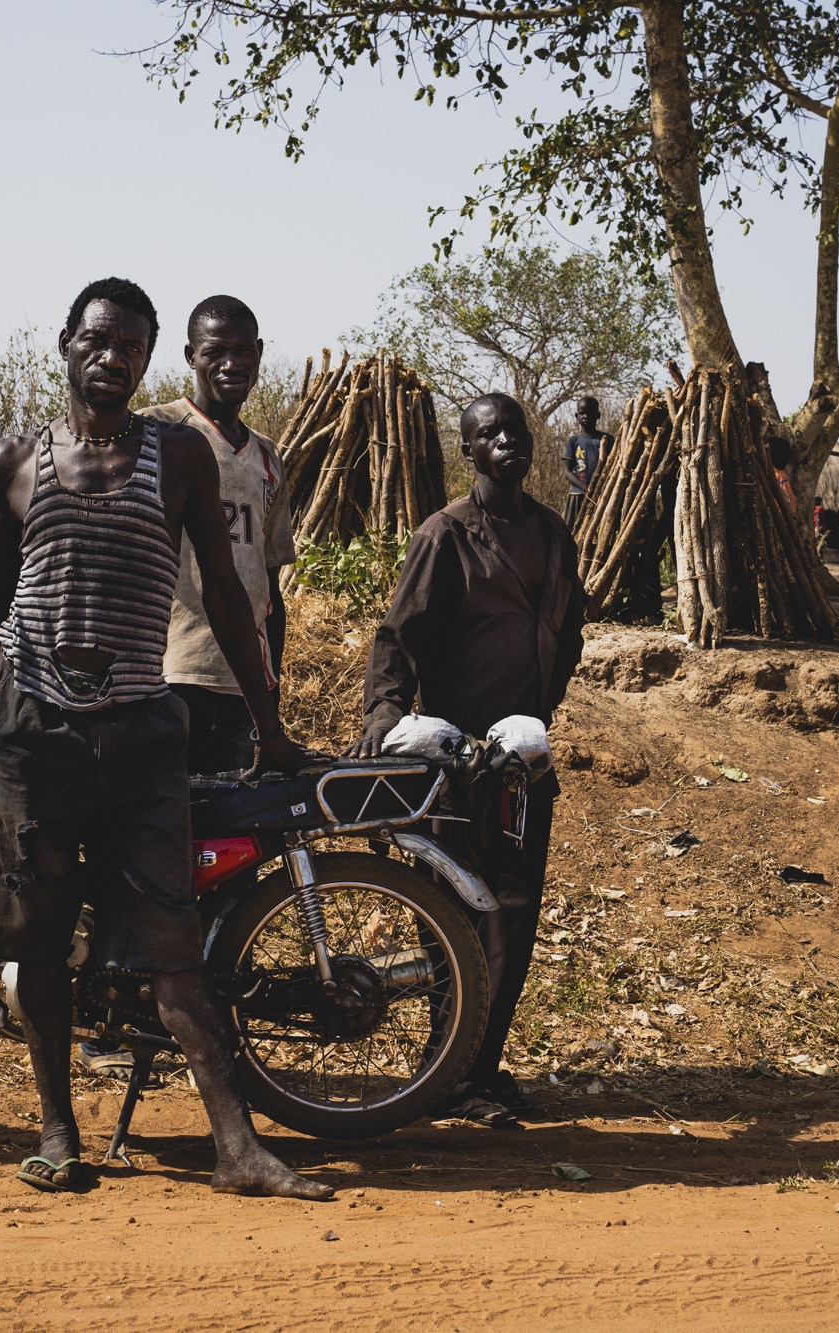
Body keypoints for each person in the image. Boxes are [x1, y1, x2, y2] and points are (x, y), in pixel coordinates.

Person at [0, 276, 330, 1200]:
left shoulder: (181, 458)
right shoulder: (13, 462)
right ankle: (57, 1128)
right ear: (66, 343)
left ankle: (236, 1147)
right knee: (36, 940)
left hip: (140, 729)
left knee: (173, 945)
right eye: (98, 340)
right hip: (31, 728)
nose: (111, 357)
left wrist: (271, 723)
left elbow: (234, 600)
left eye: (130, 346)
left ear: (149, 358)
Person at [353, 392, 586, 1127]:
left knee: (514, 912)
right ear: (469, 451)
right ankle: (452, 1067)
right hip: (453, 764)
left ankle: (474, 1066)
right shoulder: (446, 535)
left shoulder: (553, 535)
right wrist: (384, 714)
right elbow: (398, 636)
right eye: (490, 434)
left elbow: (570, 632)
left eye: (515, 431)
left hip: (520, 762)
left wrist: (540, 709)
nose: (507, 442)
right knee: (453, 911)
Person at [140, 295, 295, 773]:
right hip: (165, 672)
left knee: (228, 836)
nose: (231, 364)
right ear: (191, 356)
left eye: (243, 351)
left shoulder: (268, 457)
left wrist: (270, 685)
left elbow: (266, 585)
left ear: (260, 353)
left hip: (242, 683)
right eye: (215, 351)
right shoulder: (154, 431)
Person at [560, 397, 608, 529]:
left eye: (590, 413)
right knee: (573, 530)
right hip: (578, 495)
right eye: (582, 413)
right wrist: (585, 488)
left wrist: (599, 489)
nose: (586, 416)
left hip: (603, 494)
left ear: (598, 415)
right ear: (577, 416)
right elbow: (567, 472)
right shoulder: (573, 441)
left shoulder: (607, 440)